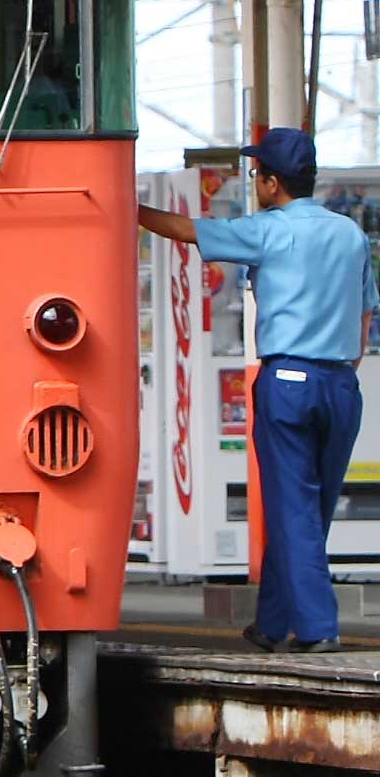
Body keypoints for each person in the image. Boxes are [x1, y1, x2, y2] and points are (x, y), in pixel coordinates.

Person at [140, 127, 380, 652]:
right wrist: (341, 369)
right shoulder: (351, 235)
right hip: (341, 384)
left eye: (256, 176)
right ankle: (272, 624)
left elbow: (186, 228)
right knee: (307, 511)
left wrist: (127, 208)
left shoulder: (267, 230)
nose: (254, 183)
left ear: (273, 183)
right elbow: (365, 314)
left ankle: (319, 629)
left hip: (287, 381)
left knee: (292, 509)